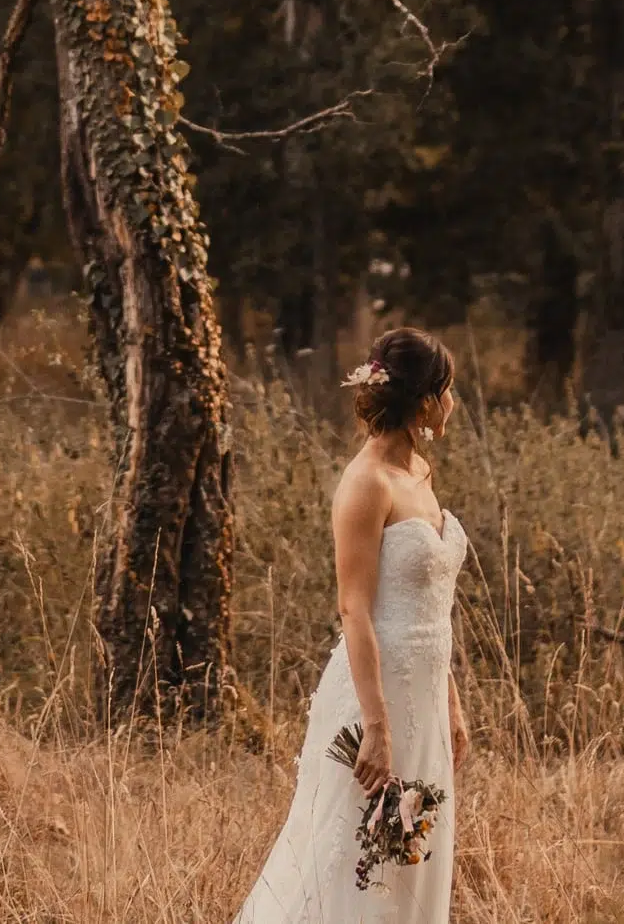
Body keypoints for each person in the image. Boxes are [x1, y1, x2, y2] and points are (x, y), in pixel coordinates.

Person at [234, 328, 470, 923]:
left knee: (410, 855)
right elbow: (355, 609)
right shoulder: (365, 484)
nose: (453, 401)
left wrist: (452, 701)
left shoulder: (419, 472)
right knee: (350, 859)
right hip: (374, 699)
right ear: (423, 401)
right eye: (447, 390)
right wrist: (376, 727)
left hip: (424, 700)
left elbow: (429, 607)